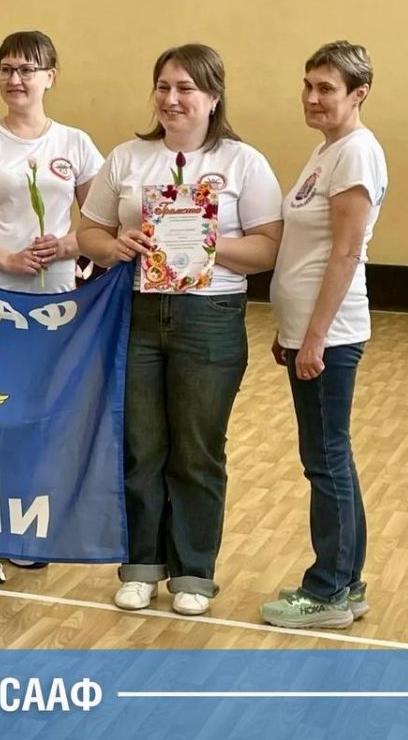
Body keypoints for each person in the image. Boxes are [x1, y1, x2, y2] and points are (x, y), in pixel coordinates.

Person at [78, 43, 283, 615]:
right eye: (163, 87)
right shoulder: (127, 158)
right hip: (137, 315)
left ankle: (194, 572)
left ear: (213, 97)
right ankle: (140, 566)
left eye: (186, 88)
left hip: (209, 319)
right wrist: (114, 246)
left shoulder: (244, 162)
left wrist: (205, 243)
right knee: (140, 447)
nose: (171, 99)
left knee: (196, 450)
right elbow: (89, 232)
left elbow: (268, 248)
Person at [0, 30, 103, 584]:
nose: (16, 79)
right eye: (6, 68)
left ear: (50, 76)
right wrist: (5, 259)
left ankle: (22, 530)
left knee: (37, 416)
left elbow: (102, 223)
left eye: (28, 69)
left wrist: (68, 245)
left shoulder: (76, 144)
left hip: (52, 305)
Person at [260, 41, 387, 630]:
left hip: (331, 336)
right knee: (330, 455)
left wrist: (314, 338)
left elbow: (345, 252)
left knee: (327, 458)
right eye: (308, 85)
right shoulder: (328, 149)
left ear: (358, 94)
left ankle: (329, 590)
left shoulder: (356, 153)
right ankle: (347, 583)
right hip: (311, 331)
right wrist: (291, 330)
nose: (312, 97)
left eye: (326, 88)